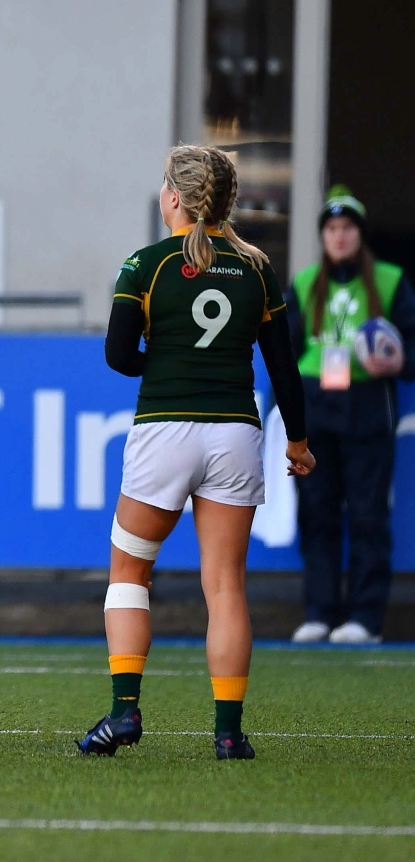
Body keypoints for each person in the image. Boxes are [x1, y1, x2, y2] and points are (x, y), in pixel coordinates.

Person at [79, 144, 311, 761]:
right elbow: (283, 364)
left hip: (165, 432)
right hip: (236, 432)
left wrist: (173, 360)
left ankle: (124, 714)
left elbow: (119, 356)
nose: (161, 196)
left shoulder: (145, 265)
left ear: (177, 198)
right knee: (226, 585)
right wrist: (298, 440)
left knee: (130, 572)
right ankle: (229, 732)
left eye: (164, 187)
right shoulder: (257, 266)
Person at [286, 187, 415, 645]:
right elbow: (287, 349)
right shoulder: (303, 284)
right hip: (315, 404)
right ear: (323, 236)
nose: (339, 237)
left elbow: (412, 348)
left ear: (360, 235)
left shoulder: (391, 280)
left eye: (347, 229)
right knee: (316, 512)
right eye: (331, 229)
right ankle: (319, 611)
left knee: (367, 515)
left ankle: (365, 617)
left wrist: (399, 363)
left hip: (367, 406)